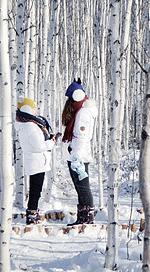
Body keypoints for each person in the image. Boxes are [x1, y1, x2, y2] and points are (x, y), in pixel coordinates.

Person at [14, 97, 59, 225]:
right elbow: (38, 146)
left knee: (35, 190)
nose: (36, 110)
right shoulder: (30, 126)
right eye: (34, 108)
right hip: (37, 162)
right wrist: (51, 142)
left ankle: (33, 213)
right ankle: (32, 216)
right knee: (35, 191)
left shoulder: (29, 124)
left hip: (37, 161)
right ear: (27, 109)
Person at [61, 79, 97, 226]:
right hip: (75, 154)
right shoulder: (80, 112)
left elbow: (82, 137)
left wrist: (76, 156)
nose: (68, 101)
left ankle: (87, 217)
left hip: (78, 156)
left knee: (83, 187)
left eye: (70, 98)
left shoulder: (82, 113)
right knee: (79, 187)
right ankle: (82, 217)